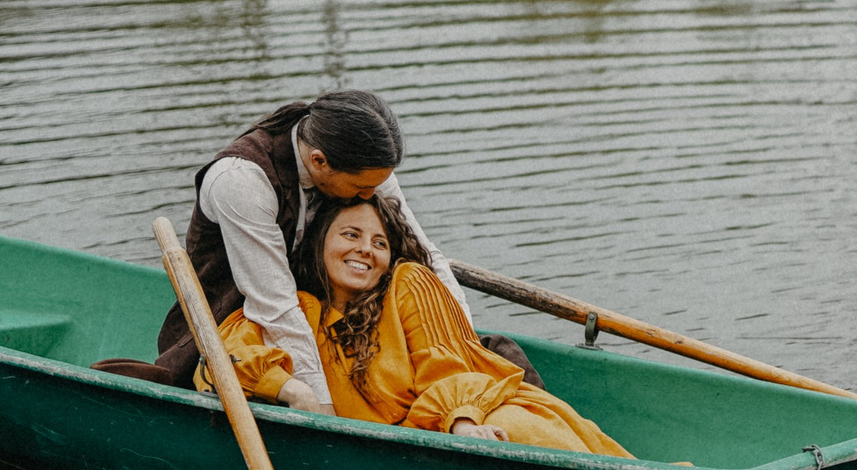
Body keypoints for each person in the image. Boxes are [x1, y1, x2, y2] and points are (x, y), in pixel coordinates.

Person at [98, 88, 528, 410]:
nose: (370, 196)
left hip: (336, 320)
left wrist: (461, 341)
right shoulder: (241, 180)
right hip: (241, 325)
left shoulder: (361, 165)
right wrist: (322, 409)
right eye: (362, 189)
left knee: (493, 354)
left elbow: (425, 256)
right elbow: (274, 304)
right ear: (319, 162)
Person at [244, 191, 629, 455]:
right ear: (319, 243)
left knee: (516, 433)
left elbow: (448, 369)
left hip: (477, 418)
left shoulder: (408, 284)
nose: (365, 248)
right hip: (397, 450)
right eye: (351, 234)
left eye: (380, 243)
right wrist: (297, 393)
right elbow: (228, 358)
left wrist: (460, 421)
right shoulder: (292, 309)